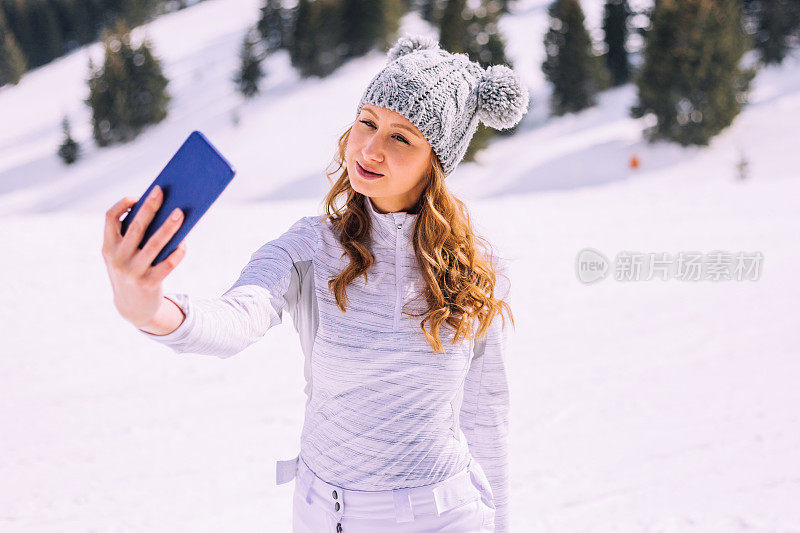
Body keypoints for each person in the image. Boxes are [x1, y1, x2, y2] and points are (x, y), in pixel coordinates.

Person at [102, 33, 529, 533]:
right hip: (328, 515)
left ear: (436, 162)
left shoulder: (475, 268)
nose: (370, 148)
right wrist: (149, 309)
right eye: (366, 122)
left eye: (401, 137)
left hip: (444, 516)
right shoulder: (311, 246)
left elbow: (485, 419)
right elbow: (240, 314)